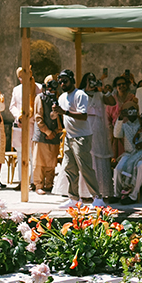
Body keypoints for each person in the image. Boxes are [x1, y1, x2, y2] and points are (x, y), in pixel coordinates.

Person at [56, 69, 105, 208]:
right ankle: (74, 199)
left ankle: (97, 197)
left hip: (81, 136)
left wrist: (64, 112)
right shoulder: (62, 97)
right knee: (69, 168)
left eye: (65, 81)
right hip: (69, 136)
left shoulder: (80, 95)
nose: (62, 84)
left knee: (85, 168)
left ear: (72, 80)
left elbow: (83, 115)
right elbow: (61, 115)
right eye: (60, 81)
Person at [82, 72, 116, 201]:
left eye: (93, 80)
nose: (91, 82)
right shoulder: (80, 94)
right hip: (85, 127)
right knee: (86, 157)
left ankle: (102, 190)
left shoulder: (99, 94)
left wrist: (103, 90)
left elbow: (112, 102)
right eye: (89, 80)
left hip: (98, 130)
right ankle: (84, 191)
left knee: (99, 158)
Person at [8, 66, 36, 188]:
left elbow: (39, 105)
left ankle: (34, 181)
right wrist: (19, 115)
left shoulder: (37, 87)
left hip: (33, 124)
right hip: (20, 124)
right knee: (20, 153)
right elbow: (12, 106)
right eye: (20, 77)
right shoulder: (16, 90)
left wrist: (29, 116)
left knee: (32, 154)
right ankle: (22, 181)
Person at [33, 76, 61, 194]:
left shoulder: (58, 99)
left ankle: (49, 184)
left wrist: (55, 132)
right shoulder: (40, 97)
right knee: (39, 162)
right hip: (42, 135)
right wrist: (48, 132)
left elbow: (60, 117)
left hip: (54, 135)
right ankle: (39, 185)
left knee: (51, 161)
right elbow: (38, 117)